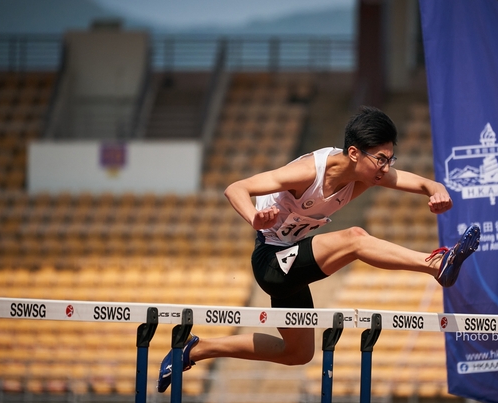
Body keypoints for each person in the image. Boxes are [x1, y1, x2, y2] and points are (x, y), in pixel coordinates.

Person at [157, 106, 480, 392]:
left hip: (293, 262)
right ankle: (435, 264)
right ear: (354, 153)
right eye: (381, 159)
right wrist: (254, 217)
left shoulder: (366, 173)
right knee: (354, 237)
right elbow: (236, 188)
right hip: (271, 260)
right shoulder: (309, 171)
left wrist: (437, 190)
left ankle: (195, 350)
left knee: (297, 353)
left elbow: (424, 184)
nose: (386, 167)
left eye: (389, 159)